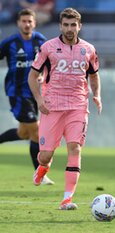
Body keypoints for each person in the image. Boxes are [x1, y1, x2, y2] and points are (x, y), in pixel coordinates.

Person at [28, 7, 102, 210]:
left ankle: (67, 198)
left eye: (73, 25)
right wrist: (39, 99)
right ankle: (43, 167)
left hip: (78, 106)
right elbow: (33, 76)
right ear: (60, 25)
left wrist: (96, 95)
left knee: (75, 148)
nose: (70, 29)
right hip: (51, 107)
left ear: (80, 26)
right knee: (46, 155)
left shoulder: (89, 49)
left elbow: (94, 76)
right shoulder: (48, 48)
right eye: (66, 25)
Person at [0, 8, 54, 185]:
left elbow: (50, 63)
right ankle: (39, 174)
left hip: (35, 94)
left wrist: (43, 75)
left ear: (34, 23)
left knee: (24, 133)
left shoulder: (41, 41)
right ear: (18, 23)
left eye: (29, 21)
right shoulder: (10, 43)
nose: (27, 24)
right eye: (23, 21)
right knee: (37, 132)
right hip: (17, 93)